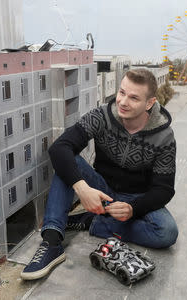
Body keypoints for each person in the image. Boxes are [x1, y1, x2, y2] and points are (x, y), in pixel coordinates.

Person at [20, 68, 178, 280]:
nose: (122, 102)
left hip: (137, 198)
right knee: (68, 161)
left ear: (149, 103)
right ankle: (51, 241)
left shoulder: (164, 136)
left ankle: (90, 222)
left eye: (133, 97)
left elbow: (164, 189)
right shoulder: (102, 116)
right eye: (122, 92)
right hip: (102, 189)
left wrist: (134, 208)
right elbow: (60, 148)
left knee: (167, 232)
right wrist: (81, 187)